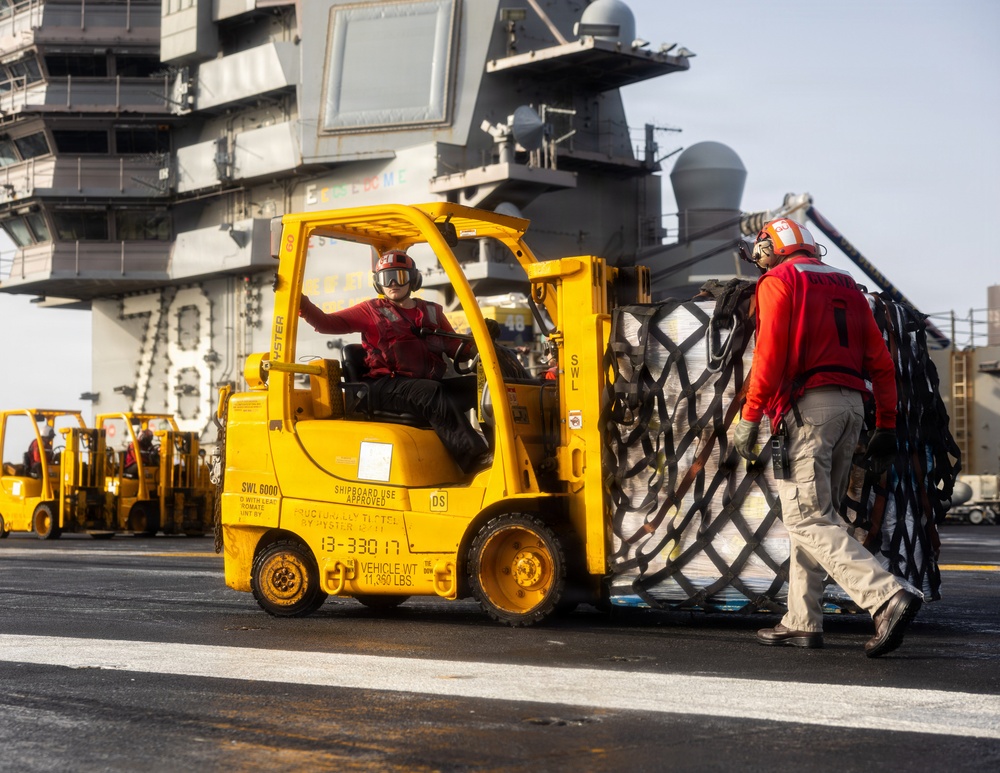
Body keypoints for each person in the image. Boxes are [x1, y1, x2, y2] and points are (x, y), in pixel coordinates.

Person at [733, 217, 921, 658]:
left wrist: (750, 415)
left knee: (805, 518)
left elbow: (770, 352)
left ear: (771, 248)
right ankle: (802, 621)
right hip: (851, 408)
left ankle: (885, 595)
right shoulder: (847, 285)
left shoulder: (779, 280)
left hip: (808, 410)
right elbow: (881, 363)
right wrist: (888, 424)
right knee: (819, 516)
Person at [298, 249, 491, 475]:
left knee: (482, 388)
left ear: (413, 279)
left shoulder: (432, 312)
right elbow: (326, 323)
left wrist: (483, 342)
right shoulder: (371, 311)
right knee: (431, 392)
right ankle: (475, 459)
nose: (392, 284)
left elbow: (456, 347)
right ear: (377, 283)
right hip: (384, 387)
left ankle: (501, 447)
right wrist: (298, 300)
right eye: (384, 278)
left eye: (398, 277)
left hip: (423, 386)